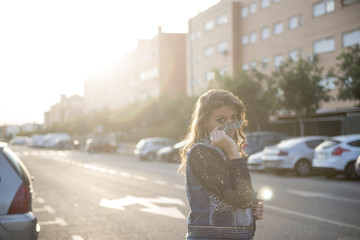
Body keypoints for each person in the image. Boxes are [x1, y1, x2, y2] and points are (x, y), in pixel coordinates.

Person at [179, 89, 264, 240]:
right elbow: (241, 198)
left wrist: (252, 208)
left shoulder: (226, 152)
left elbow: (242, 196)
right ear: (205, 122)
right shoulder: (201, 152)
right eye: (221, 120)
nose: (230, 126)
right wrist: (232, 150)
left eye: (234, 118)